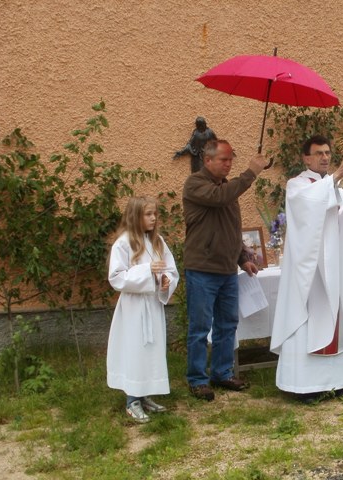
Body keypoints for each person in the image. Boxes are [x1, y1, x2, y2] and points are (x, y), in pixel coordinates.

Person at [270, 135, 343, 403]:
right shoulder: (297, 185)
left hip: (336, 267)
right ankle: (305, 385)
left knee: (338, 315)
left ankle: (340, 380)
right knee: (309, 319)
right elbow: (306, 211)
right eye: (319, 153)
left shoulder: (334, 186)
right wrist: (335, 178)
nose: (325, 157)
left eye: (328, 152)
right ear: (306, 158)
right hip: (310, 271)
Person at [183, 139, 268, 402]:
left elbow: (231, 228)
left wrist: (243, 258)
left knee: (227, 325)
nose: (229, 164)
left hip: (227, 271)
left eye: (231, 159)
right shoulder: (196, 184)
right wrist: (251, 171)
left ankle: (222, 372)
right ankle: (198, 379)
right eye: (224, 159)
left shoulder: (227, 189)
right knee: (200, 328)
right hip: (202, 269)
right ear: (208, 160)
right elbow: (221, 198)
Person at [107, 196, 180, 423]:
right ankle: (132, 400)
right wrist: (147, 271)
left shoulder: (157, 241)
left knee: (151, 350)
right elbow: (116, 277)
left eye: (154, 214)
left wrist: (165, 280)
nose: (153, 218)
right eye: (148, 214)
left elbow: (170, 269)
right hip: (133, 308)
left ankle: (144, 393)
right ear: (135, 216)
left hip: (152, 305)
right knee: (135, 350)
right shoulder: (124, 243)